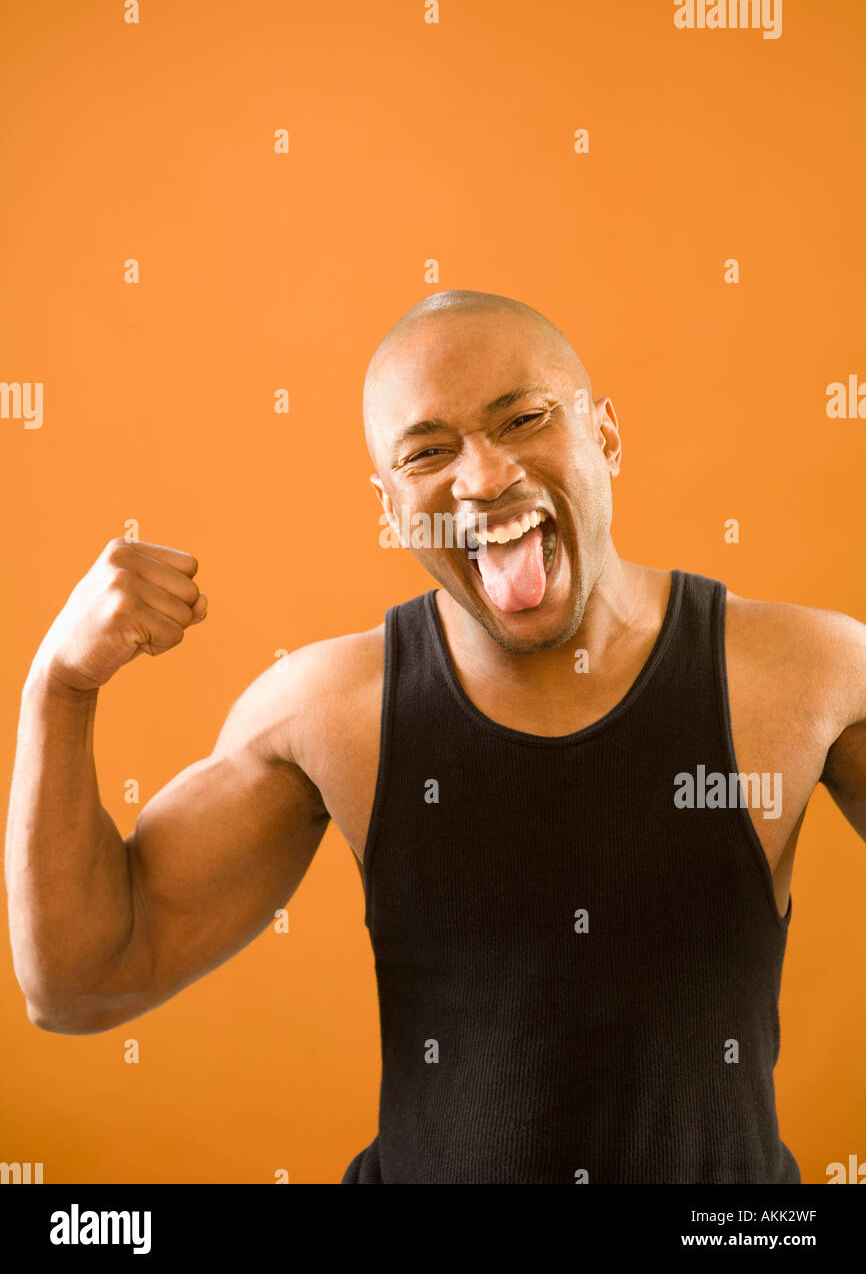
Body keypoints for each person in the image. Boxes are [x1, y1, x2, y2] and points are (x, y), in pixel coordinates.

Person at [6, 289, 866, 1184]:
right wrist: (58, 688)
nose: (485, 478)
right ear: (389, 509)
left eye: (525, 418)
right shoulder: (329, 711)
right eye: (428, 453)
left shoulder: (807, 673)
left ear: (605, 435)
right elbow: (79, 983)